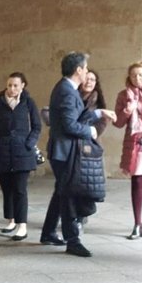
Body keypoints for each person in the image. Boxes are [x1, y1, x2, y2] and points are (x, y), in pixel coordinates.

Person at [39, 52, 114, 256]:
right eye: (86, 68)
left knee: (62, 191)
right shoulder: (66, 90)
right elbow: (70, 125)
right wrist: (90, 131)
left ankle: (47, 232)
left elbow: (75, 116)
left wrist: (98, 113)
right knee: (69, 194)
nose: (87, 72)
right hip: (64, 151)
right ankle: (73, 241)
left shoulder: (67, 89)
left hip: (64, 150)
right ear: (78, 70)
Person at [0, 72, 41, 241]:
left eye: (15, 85)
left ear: (23, 85)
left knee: (20, 189)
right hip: (3, 152)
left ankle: (22, 225)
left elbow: (37, 126)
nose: (11, 88)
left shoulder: (28, 103)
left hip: (22, 153)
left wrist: (29, 143)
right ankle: (10, 220)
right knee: (7, 188)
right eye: (9, 85)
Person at [113, 61, 142, 239]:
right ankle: (137, 223)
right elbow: (117, 123)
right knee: (138, 182)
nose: (137, 78)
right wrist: (127, 110)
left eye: (140, 74)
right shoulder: (124, 95)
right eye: (133, 75)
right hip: (136, 142)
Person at [80, 69, 109, 136]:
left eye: (92, 80)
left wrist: (94, 131)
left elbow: (102, 122)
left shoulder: (99, 100)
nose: (88, 82)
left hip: (90, 139)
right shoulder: (72, 98)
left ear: (96, 83)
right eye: (86, 79)